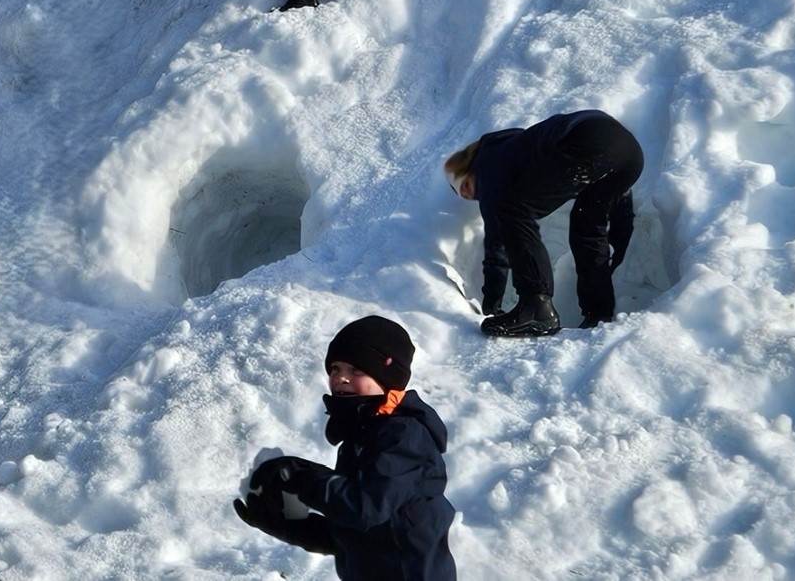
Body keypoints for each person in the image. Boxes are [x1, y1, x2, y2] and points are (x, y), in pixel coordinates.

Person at [233, 315, 456, 581]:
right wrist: (284, 524)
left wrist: (299, 475)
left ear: (387, 376)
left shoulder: (404, 435)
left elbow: (364, 508)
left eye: (356, 370)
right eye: (335, 369)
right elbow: (350, 531)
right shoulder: (360, 436)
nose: (342, 378)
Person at [445, 110, 643, 336]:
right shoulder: (512, 147)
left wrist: (491, 303)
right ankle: (599, 314)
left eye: (465, 187)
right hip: (629, 153)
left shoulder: (487, 163)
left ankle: (536, 307)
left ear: (470, 169)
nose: (471, 196)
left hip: (589, 140)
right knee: (587, 226)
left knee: (511, 208)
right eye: (464, 196)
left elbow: (496, 243)